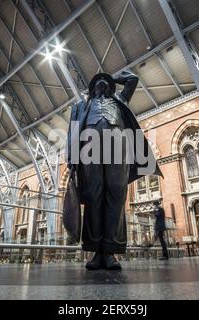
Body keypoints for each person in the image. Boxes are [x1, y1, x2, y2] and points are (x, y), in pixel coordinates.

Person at [67, 71, 162, 271]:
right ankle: (96, 252)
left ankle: (110, 252)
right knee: (94, 196)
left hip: (118, 148)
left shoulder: (119, 99)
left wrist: (112, 78)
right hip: (89, 149)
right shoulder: (80, 107)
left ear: (111, 88)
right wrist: (71, 159)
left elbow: (133, 79)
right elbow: (72, 132)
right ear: (92, 89)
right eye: (98, 82)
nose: (102, 83)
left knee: (117, 194)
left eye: (105, 83)